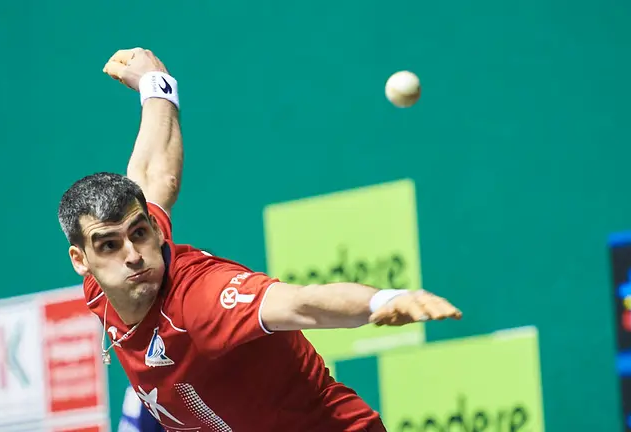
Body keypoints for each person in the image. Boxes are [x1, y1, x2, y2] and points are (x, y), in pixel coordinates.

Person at [58, 47, 462, 432]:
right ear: (81, 260)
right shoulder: (103, 286)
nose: (132, 255)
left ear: (155, 229)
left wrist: (381, 301)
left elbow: (303, 304)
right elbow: (153, 175)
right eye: (109, 244)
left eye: (139, 233)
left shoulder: (201, 300)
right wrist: (155, 85)